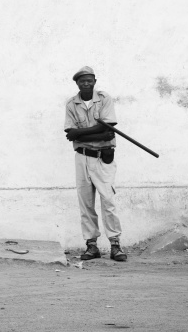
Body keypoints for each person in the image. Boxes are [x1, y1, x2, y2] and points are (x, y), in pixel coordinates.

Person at [64, 65, 127, 262]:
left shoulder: (104, 99)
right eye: (82, 80)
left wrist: (80, 133)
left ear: (94, 82)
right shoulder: (71, 104)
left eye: (89, 80)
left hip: (103, 157)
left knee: (108, 201)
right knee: (86, 203)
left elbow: (108, 128)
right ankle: (91, 246)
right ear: (77, 83)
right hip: (82, 157)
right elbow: (70, 133)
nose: (86, 83)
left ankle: (115, 245)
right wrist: (100, 132)